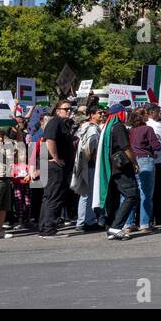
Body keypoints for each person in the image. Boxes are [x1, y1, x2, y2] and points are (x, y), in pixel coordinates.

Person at [37, 98, 75, 239]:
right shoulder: (55, 121)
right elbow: (49, 139)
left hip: (55, 166)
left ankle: (45, 227)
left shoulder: (62, 123)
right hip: (55, 166)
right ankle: (48, 229)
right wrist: (56, 157)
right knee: (54, 197)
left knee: (50, 197)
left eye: (70, 109)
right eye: (66, 109)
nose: (69, 111)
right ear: (58, 111)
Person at [105, 106, 141, 240]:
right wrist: (134, 162)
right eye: (125, 112)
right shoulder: (118, 126)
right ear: (120, 113)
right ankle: (116, 227)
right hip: (122, 168)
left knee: (115, 198)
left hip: (113, 169)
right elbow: (126, 147)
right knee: (132, 195)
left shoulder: (108, 126)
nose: (128, 114)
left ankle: (111, 227)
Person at [72, 105, 109, 231]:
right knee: (86, 194)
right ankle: (83, 222)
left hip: (83, 164)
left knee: (87, 194)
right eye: (99, 113)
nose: (102, 114)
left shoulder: (85, 127)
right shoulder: (92, 129)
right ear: (92, 115)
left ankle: (85, 220)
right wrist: (92, 158)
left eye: (103, 112)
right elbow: (89, 147)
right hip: (88, 165)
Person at [144, 105, 161, 228]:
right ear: (151, 113)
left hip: (151, 160)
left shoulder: (146, 124)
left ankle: (151, 217)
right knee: (159, 190)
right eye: (158, 111)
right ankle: (158, 216)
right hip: (159, 161)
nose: (160, 114)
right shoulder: (156, 125)